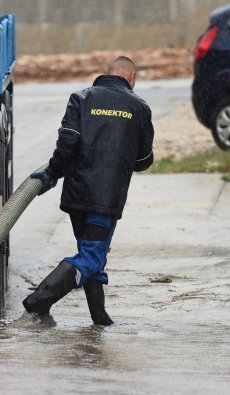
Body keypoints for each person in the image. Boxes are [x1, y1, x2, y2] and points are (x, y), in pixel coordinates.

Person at [23, 56, 155, 326]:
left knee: (91, 253)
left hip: (76, 195)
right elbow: (144, 161)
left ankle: (100, 318)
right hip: (106, 198)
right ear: (130, 78)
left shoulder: (81, 98)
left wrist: (52, 173)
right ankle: (38, 303)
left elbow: (67, 144)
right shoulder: (139, 106)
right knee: (92, 256)